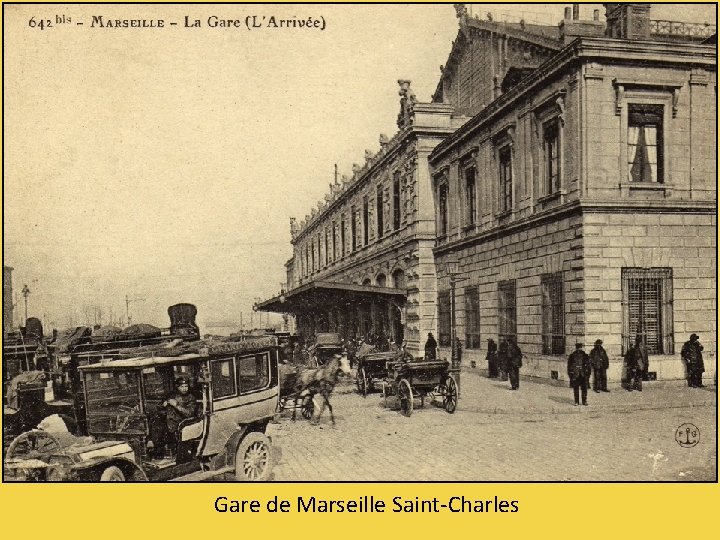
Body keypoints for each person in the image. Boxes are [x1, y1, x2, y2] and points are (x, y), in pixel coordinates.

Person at [162, 377, 198, 450]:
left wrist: (177, 406)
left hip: (181, 422)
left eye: (186, 386)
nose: (184, 389)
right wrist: (163, 404)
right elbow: (160, 406)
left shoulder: (191, 398)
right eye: (182, 387)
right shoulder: (172, 395)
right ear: (177, 387)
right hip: (168, 421)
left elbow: (189, 413)